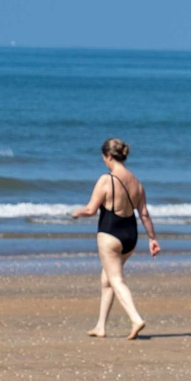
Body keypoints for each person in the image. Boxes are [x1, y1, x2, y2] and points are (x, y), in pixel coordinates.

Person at [71, 138, 160, 339]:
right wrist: (153, 238)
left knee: (116, 279)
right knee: (107, 278)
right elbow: (144, 214)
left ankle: (136, 318)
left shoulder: (106, 179)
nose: (104, 161)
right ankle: (101, 326)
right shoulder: (137, 182)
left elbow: (90, 209)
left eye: (104, 157)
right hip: (131, 236)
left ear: (109, 156)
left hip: (110, 234)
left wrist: (77, 213)